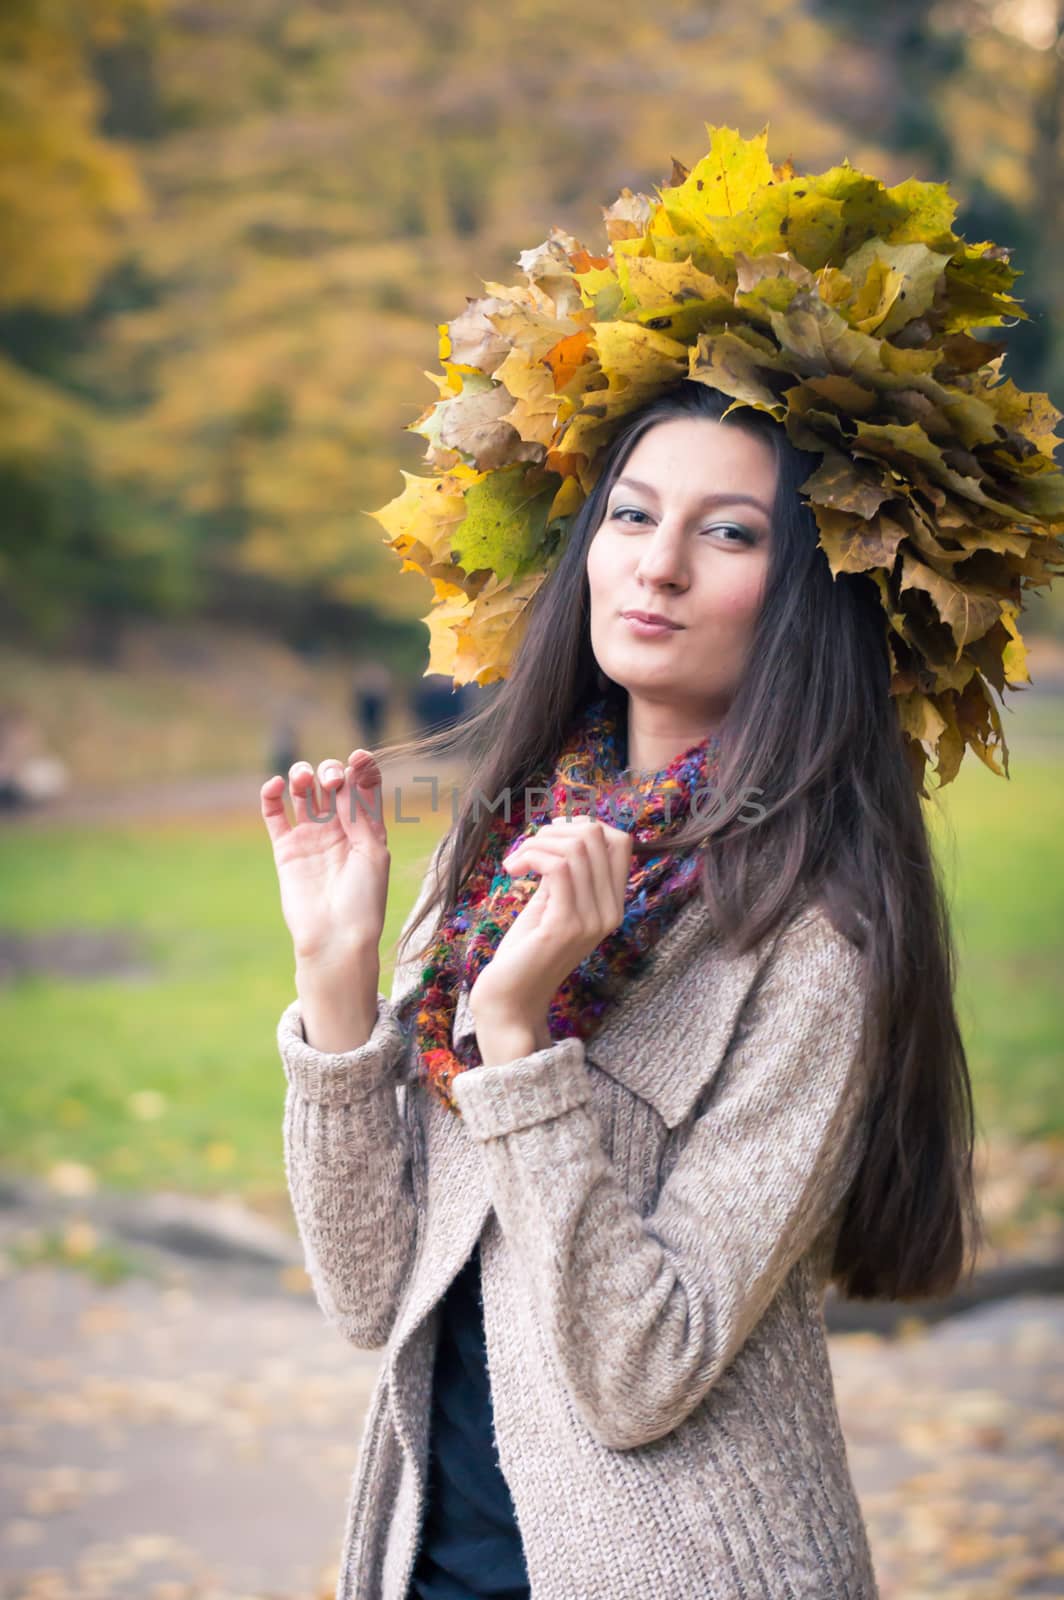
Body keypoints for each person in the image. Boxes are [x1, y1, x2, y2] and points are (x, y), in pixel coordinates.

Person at [258, 129, 1061, 1600]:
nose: (656, 564)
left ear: (809, 593)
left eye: (728, 531)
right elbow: (374, 1297)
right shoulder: (505, 848)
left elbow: (646, 1373)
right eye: (631, 514)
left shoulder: (819, 936)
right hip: (428, 1554)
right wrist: (338, 986)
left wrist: (514, 1039)